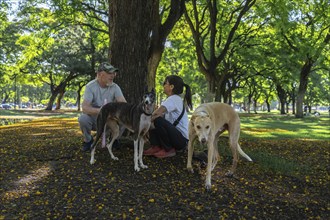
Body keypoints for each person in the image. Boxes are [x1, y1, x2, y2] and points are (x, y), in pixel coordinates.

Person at [78, 62, 126, 152]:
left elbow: (124, 105)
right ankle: (88, 141)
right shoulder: (90, 86)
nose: (113, 75)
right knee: (83, 119)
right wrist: (101, 111)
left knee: (125, 118)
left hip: (111, 120)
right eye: (109, 73)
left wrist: (114, 114)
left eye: (113, 73)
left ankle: (114, 139)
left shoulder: (115, 87)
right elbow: (85, 108)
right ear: (100, 74)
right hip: (96, 120)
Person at [144, 75, 193, 158]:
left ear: (171, 87)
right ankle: (156, 146)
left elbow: (157, 113)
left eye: (165, 83)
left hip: (181, 141)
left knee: (157, 120)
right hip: (178, 139)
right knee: (155, 121)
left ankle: (168, 149)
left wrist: (142, 123)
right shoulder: (173, 99)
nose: (163, 85)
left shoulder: (174, 99)